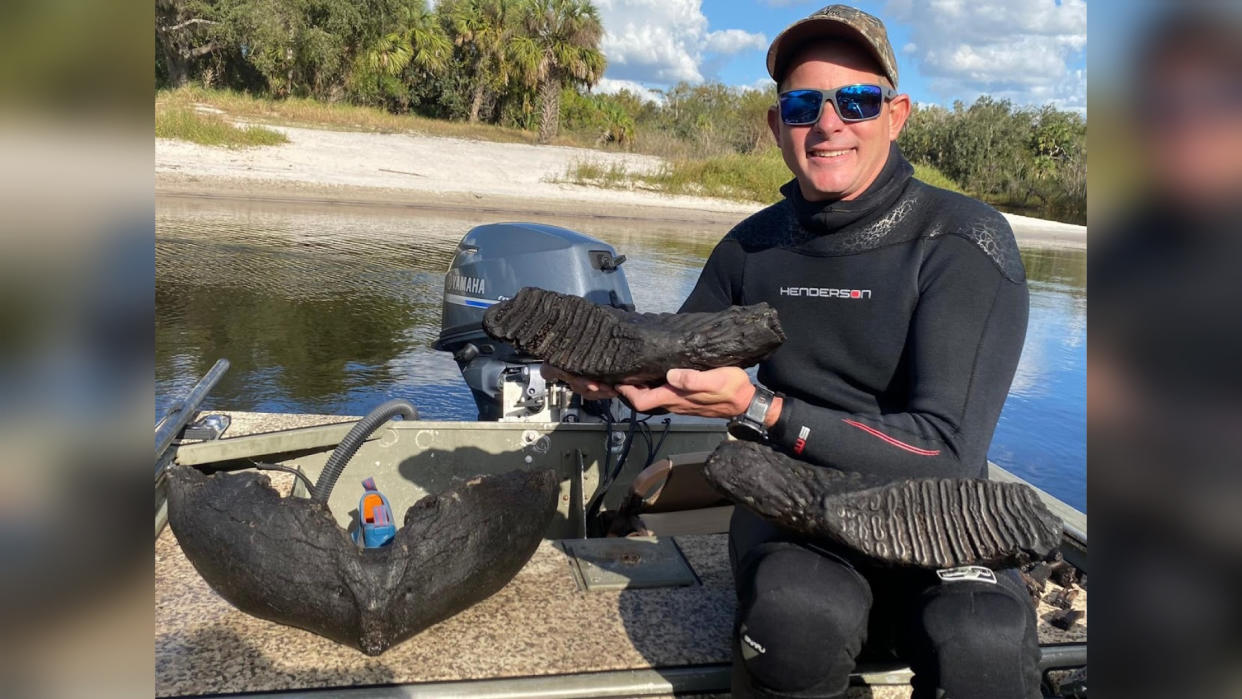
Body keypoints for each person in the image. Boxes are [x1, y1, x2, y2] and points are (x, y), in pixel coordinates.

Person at [548, 5, 1038, 698]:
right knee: (798, 619)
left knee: (982, 639)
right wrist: (592, 368)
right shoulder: (755, 246)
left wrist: (764, 408)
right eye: (804, 104)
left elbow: (950, 453)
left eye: (857, 101)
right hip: (793, 513)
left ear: (896, 115)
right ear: (779, 126)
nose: (829, 123)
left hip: (938, 518)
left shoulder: (962, 242)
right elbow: (668, 352)